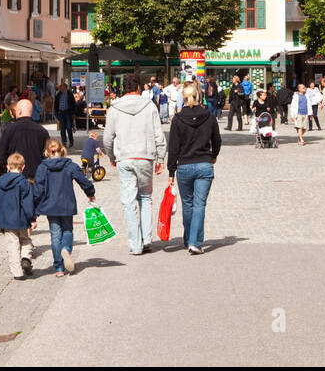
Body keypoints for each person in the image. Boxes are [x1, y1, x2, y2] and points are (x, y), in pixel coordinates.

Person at [102, 74, 165, 256]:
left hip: (125, 158)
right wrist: (160, 158)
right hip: (145, 158)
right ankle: (146, 239)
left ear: (124, 88)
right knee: (145, 198)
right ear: (138, 87)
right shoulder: (150, 106)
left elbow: (107, 138)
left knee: (128, 202)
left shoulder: (115, 108)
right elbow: (159, 136)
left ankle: (135, 245)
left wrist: (112, 157)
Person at [167, 81, 221, 254]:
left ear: (183, 98)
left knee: (188, 204)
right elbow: (217, 141)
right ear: (199, 97)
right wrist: (213, 156)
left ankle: (189, 239)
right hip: (204, 164)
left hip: (184, 166)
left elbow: (173, 147)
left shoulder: (178, 119)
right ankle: (195, 242)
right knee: (199, 205)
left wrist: (171, 171)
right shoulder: (210, 117)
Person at [35, 139, 96, 276]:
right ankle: (66, 249)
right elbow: (83, 181)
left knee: (55, 234)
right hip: (67, 204)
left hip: (50, 206)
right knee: (67, 230)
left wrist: (35, 209)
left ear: (46, 152)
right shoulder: (70, 166)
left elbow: (38, 190)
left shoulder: (42, 167)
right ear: (62, 150)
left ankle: (59, 268)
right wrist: (90, 193)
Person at [0, 152, 37, 278]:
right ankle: (26, 258)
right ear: (23, 167)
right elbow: (28, 202)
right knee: (26, 240)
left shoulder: (0, 183)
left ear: (7, 166)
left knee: (12, 244)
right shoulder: (24, 183)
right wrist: (32, 218)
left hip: (6, 219)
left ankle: (17, 272)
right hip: (22, 218)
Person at [0, 99, 49, 180]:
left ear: (19, 111)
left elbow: (1, 154)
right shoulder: (42, 131)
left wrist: (5, 171)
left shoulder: (9, 130)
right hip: (36, 177)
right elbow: (47, 156)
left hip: (15, 176)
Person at [55, 82, 77, 147]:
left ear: (65, 87)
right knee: (62, 128)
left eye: (62, 87)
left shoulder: (70, 94)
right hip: (61, 113)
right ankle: (64, 141)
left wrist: (73, 113)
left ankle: (71, 141)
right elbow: (56, 104)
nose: (60, 89)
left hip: (68, 113)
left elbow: (73, 104)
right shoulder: (58, 94)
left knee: (68, 127)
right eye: (60, 87)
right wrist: (56, 113)